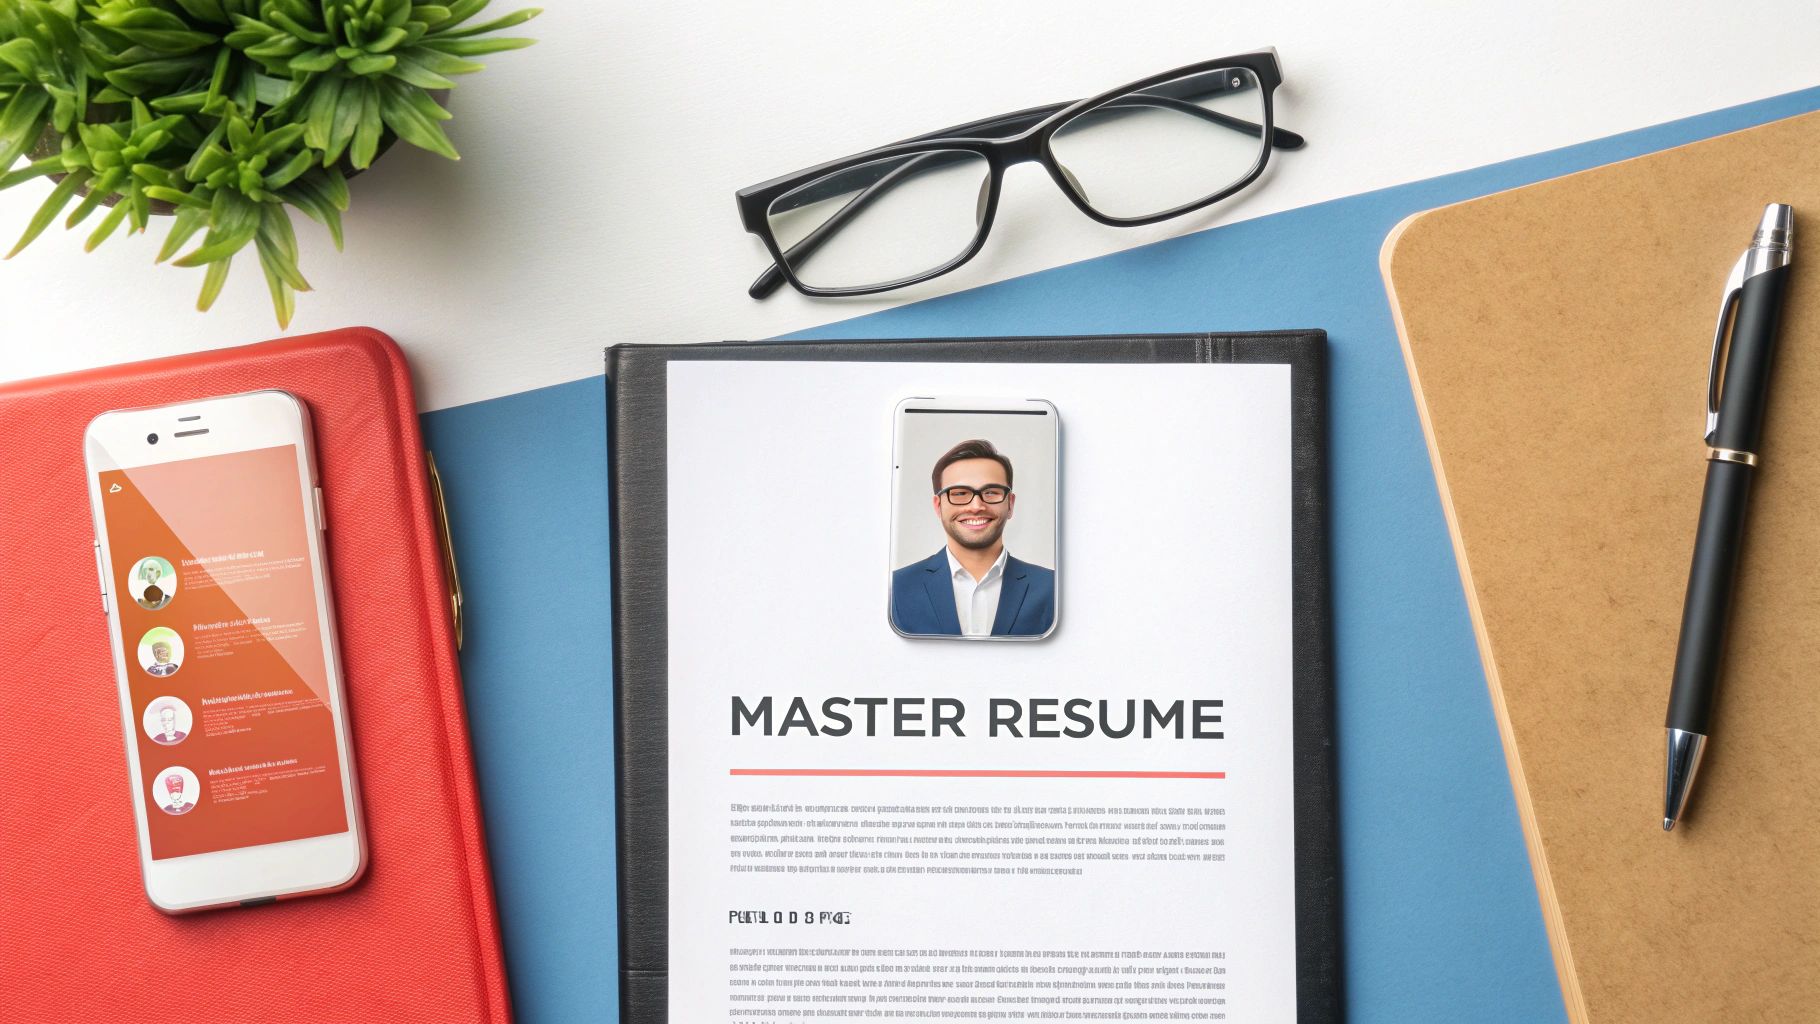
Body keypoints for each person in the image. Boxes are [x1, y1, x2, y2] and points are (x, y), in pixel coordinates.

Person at [891, 439, 1055, 637]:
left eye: (991, 492)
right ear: (938, 506)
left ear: (1010, 504)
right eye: (960, 493)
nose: (976, 506)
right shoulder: (898, 588)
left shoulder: (1052, 587)